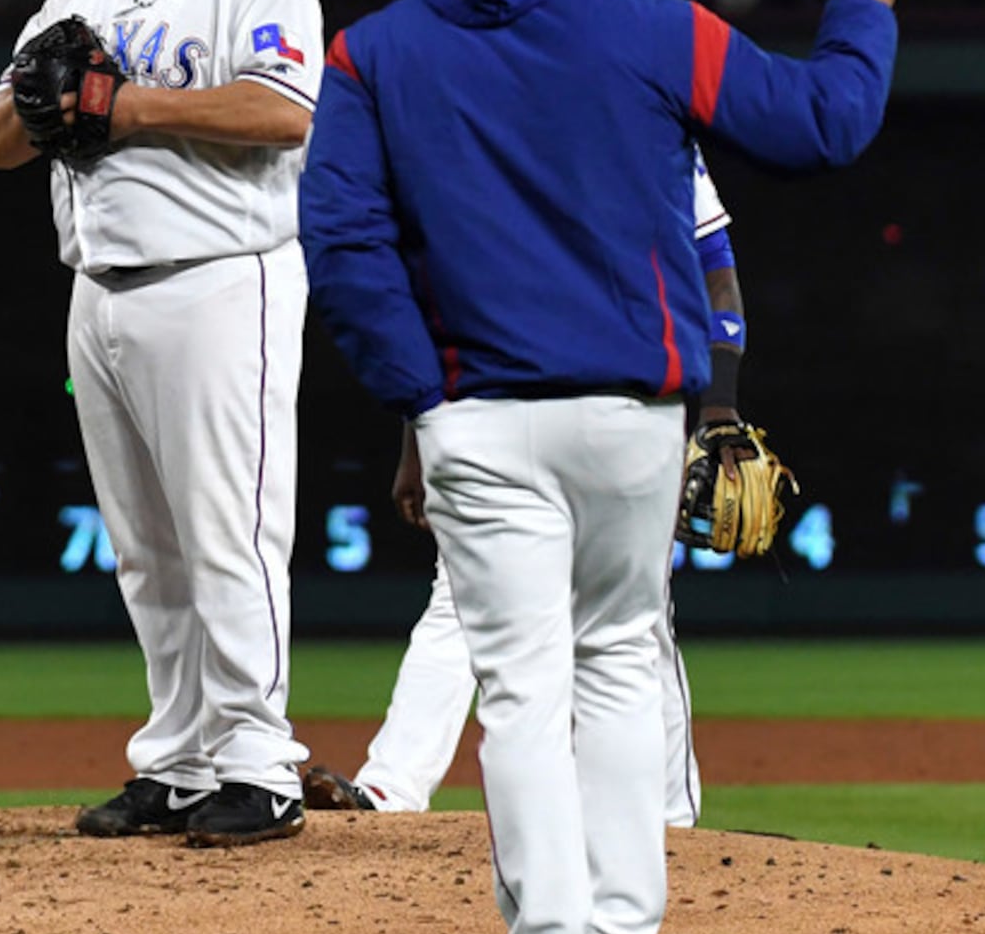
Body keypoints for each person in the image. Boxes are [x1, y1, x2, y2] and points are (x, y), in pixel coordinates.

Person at [300, 0, 902, 934]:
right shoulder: (649, 26)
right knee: (620, 664)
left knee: (520, 697)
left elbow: (344, 249)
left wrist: (419, 395)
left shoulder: (370, 51)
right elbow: (824, 125)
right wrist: (859, 12)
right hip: (633, 412)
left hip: (476, 417)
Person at [0, 0, 323, 849]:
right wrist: (45, 106)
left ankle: (258, 764)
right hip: (101, 289)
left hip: (222, 279)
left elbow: (280, 110)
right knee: (146, 550)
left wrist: (126, 106)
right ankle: (177, 762)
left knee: (228, 533)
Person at [301, 151, 745, 825]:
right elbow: (438, 298)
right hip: (494, 400)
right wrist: (415, 436)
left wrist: (720, 406)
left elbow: (716, 270)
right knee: (460, 601)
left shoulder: (650, 112)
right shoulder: (479, 123)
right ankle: (389, 790)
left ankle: (668, 818)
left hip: (624, 398)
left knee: (633, 617)